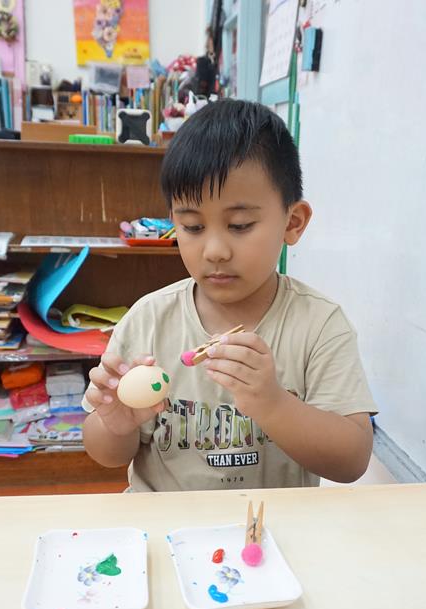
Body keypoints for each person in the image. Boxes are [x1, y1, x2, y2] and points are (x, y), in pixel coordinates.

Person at [82, 99, 377, 492]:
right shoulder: (150, 319)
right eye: (192, 227)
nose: (215, 251)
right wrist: (115, 424)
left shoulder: (318, 324)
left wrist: (273, 404)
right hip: (166, 521)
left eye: (239, 225)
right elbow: (106, 454)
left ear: (292, 223)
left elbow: (351, 460)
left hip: (270, 524)